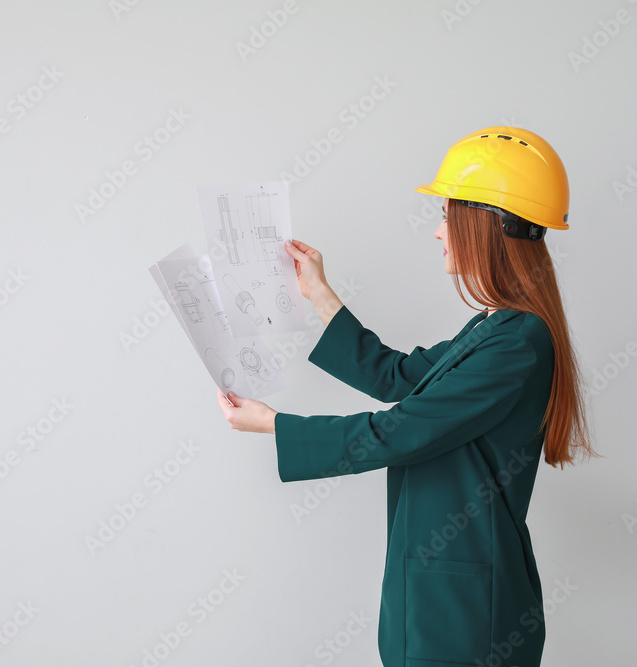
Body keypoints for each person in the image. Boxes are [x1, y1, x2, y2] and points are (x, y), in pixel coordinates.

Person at [216, 126, 599, 667]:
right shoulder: (493, 329)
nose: (438, 233)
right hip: (434, 582)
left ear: (484, 225)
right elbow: (400, 377)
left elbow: (398, 430)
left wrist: (276, 425)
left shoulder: (517, 344)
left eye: (446, 216)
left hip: (466, 603)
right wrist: (320, 295)